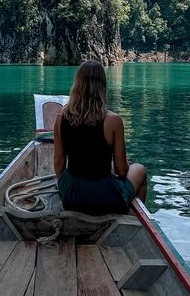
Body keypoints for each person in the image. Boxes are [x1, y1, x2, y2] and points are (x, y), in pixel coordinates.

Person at [54, 60, 147, 216]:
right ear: (102, 85)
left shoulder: (60, 118)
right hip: (105, 199)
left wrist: (65, 187)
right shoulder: (113, 120)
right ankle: (132, 221)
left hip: (71, 199)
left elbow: (58, 163)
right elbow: (122, 170)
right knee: (140, 170)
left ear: (77, 84)